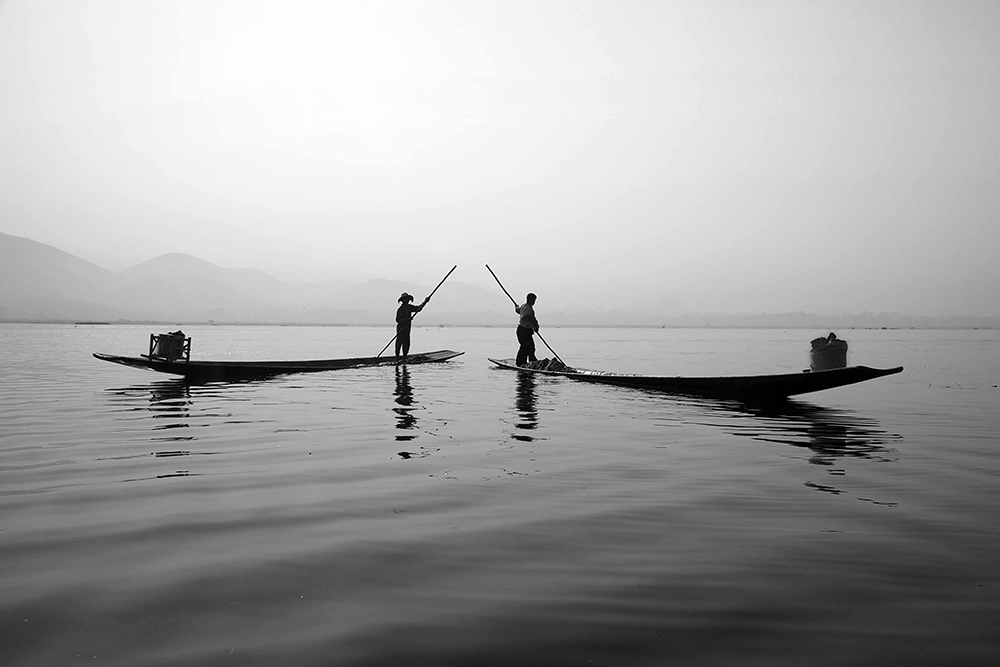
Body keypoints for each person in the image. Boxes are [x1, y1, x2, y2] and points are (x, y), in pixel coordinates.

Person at [395, 292, 429, 362]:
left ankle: (404, 358)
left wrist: (425, 302)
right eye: (405, 299)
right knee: (399, 344)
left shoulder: (409, 307)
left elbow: (419, 309)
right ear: (402, 301)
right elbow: (398, 319)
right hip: (401, 330)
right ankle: (397, 359)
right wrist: (407, 319)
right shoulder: (400, 309)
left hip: (407, 330)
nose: (407, 300)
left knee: (406, 344)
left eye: (407, 299)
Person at [515, 292, 539, 366]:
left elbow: (518, 311)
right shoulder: (529, 309)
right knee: (526, 347)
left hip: (523, 331)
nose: (534, 302)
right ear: (530, 300)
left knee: (530, 347)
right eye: (534, 300)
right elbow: (532, 319)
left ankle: (530, 361)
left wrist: (516, 307)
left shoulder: (523, 306)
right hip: (524, 331)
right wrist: (536, 326)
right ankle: (521, 363)